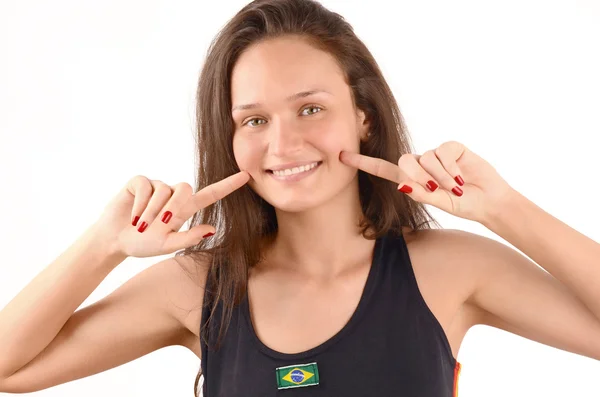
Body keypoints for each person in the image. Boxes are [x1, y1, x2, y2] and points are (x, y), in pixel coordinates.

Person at [1, 0, 599, 396]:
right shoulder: (200, 287)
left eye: (310, 109)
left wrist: (504, 208)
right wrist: (103, 245)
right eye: (253, 120)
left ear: (363, 117)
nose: (283, 143)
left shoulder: (451, 269)